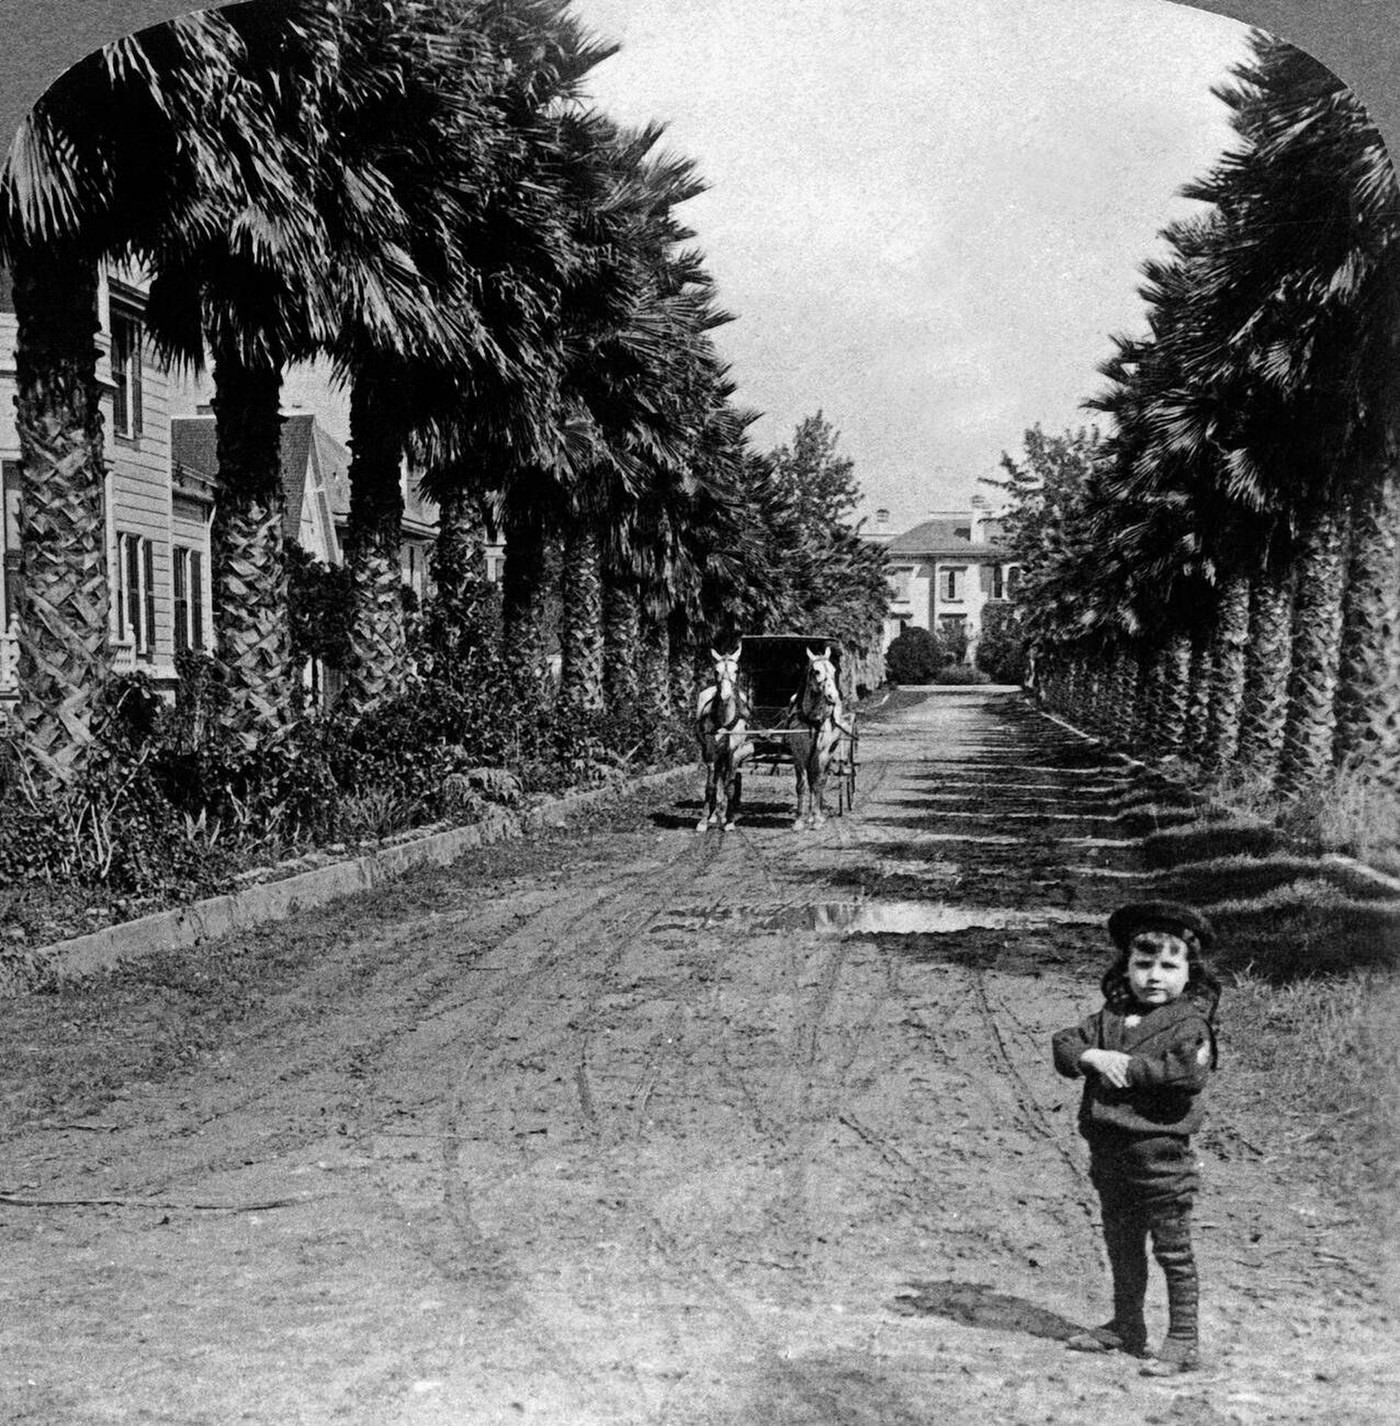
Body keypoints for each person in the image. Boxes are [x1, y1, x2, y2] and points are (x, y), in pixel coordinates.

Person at [1051, 900, 1221, 1376]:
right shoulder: (1109, 1018)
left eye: (1169, 966)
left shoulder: (1189, 1026)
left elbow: (1186, 1075)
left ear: (1190, 974)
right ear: (1125, 967)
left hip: (1161, 1159)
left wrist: (1127, 1066)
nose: (1154, 976)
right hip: (1111, 1155)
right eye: (1143, 964)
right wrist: (1091, 1057)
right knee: (1121, 1242)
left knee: (1172, 1249)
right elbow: (1065, 1042)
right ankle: (1127, 1325)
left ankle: (1183, 1338)